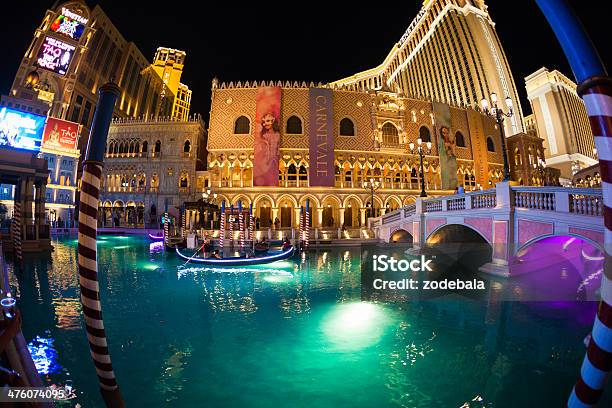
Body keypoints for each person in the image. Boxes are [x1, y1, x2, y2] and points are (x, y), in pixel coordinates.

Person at [254, 111, 281, 186]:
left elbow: (278, 149)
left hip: (275, 162)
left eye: (268, 121)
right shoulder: (263, 136)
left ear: (273, 121)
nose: (266, 123)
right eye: (264, 122)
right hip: (264, 163)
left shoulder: (278, 135)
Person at [439, 125, 459, 190]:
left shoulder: (451, 142)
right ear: (441, 134)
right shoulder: (441, 142)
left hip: (451, 161)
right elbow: (441, 151)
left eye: (447, 133)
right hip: (445, 162)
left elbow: (454, 154)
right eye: (443, 133)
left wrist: (452, 147)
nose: (445, 135)